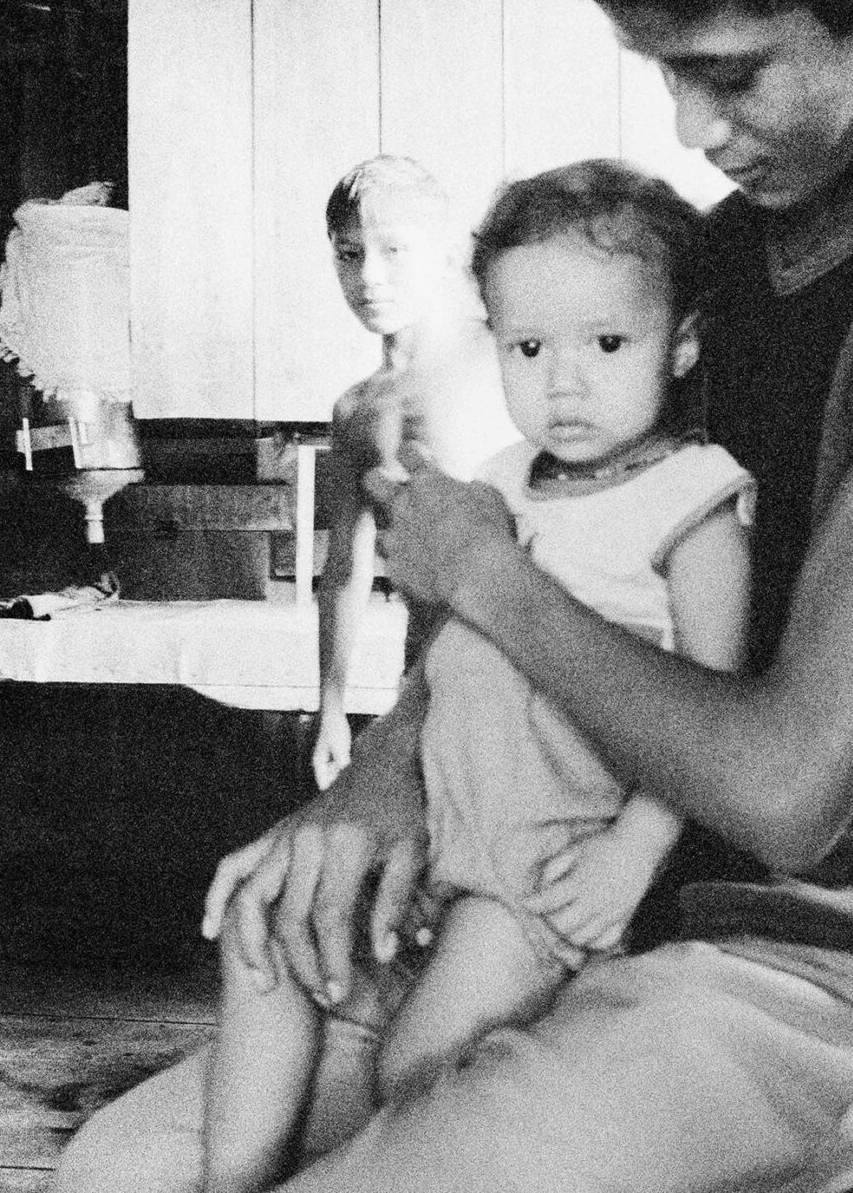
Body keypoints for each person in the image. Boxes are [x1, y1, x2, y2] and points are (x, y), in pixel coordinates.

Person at [53, 0, 853, 1187]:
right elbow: (552, 558)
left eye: (729, 72)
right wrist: (390, 784)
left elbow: (789, 787)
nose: (693, 129)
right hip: (591, 898)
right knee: (125, 1170)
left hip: (838, 979)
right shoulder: (723, 270)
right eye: (662, 74)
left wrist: (487, 582)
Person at [198, 160, 753, 1193]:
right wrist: (371, 769)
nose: (565, 379)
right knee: (259, 931)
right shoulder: (496, 480)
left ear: (677, 344)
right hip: (436, 833)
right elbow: (440, 655)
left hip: (538, 874)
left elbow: (714, 705)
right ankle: (232, 1180)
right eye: (529, 348)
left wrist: (636, 848)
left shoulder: (693, 501)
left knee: (419, 1062)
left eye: (607, 343)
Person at [308, 157, 516, 790]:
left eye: (394, 250)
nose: (369, 275)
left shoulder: (509, 358)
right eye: (350, 254)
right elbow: (346, 569)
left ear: (449, 254)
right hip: (423, 690)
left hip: (528, 676)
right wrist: (332, 710)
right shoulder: (357, 408)